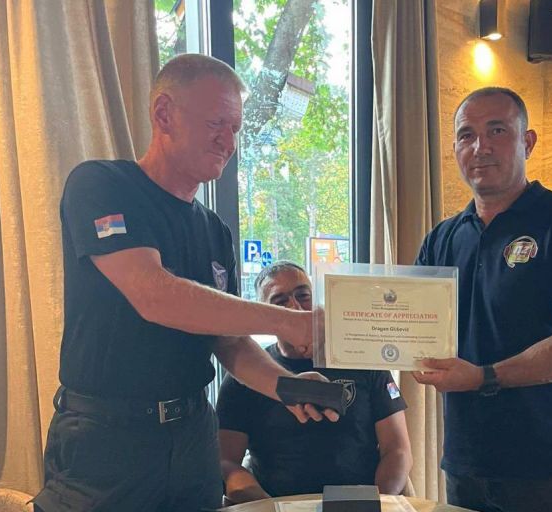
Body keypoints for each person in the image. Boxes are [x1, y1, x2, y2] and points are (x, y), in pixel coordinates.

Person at [33, 54, 337, 512]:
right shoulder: (100, 185)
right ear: (163, 114)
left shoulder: (215, 231)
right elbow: (154, 294)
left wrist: (286, 385)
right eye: (216, 123)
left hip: (194, 433)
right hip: (107, 438)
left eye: (235, 128)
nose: (228, 141)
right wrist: (288, 322)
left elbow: (228, 340)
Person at [412, 87, 552, 512]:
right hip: (466, 464)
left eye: (497, 130)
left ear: (528, 141)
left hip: (549, 468)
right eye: (466, 135)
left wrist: (483, 376)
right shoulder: (441, 239)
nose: (480, 147)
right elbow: (413, 326)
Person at [216, 261, 413, 503]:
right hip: (277, 503)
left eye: (303, 295)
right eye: (280, 301)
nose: (295, 307)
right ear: (265, 314)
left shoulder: (362, 361)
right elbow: (226, 461)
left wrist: (377, 501)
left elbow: (398, 449)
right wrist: (266, 506)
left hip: (359, 501)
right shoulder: (245, 375)